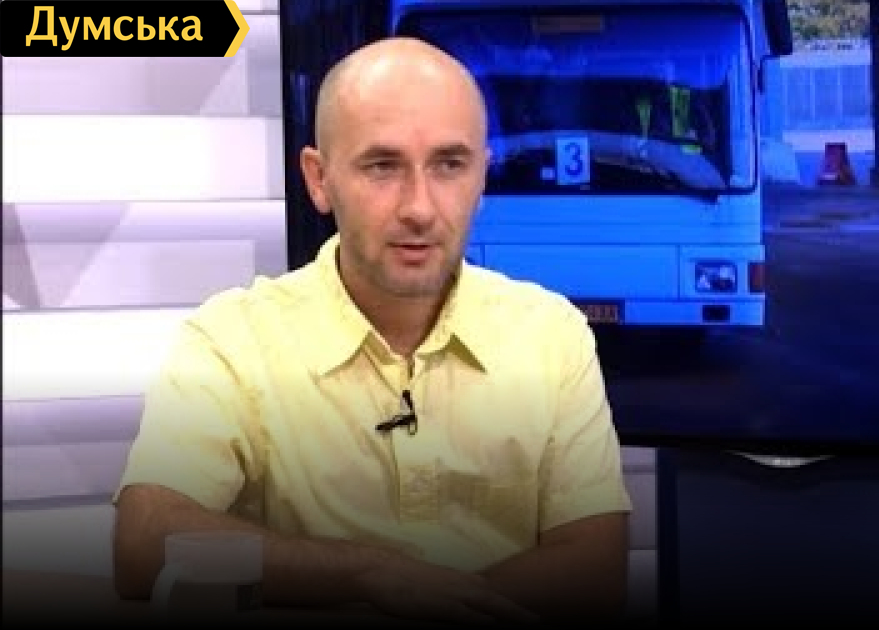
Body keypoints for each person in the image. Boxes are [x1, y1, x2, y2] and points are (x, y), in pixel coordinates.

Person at [110, 37, 632, 625]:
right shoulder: (232, 339)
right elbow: (143, 544)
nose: (419, 208)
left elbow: (595, 569)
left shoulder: (550, 334)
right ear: (318, 179)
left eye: (449, 165)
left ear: (482, 176)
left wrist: (427, 599)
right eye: (383, 166)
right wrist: (368, 573)